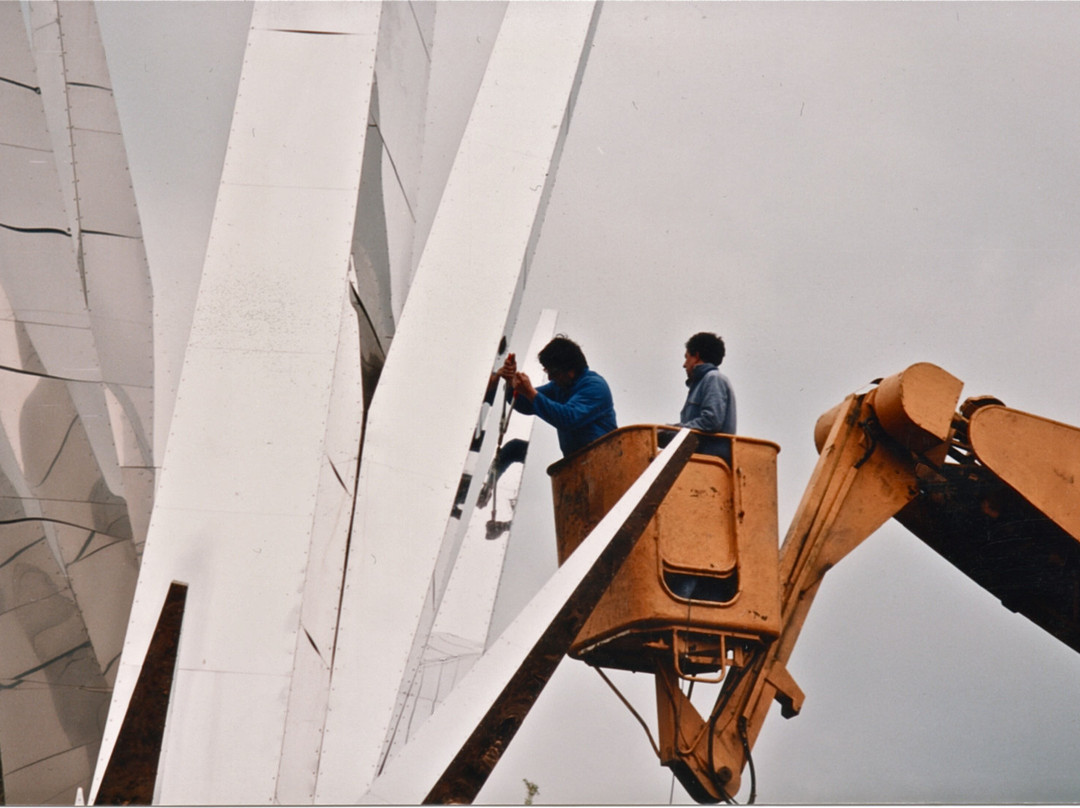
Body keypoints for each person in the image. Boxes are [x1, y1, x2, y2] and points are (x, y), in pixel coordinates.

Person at [497, 335, 617, 457]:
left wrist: (529, 392)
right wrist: (511, 384)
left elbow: (567, 419)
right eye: (547, 372)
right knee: (513, 448)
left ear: (570, 370)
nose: (550, 378)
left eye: (553, 372)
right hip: (580, 461)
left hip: (606, 459)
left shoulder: (595, 387)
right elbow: (526, 404)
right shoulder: (560, 387)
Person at [673, 331, 736, 461]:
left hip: (709, 460)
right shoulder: (702, 383)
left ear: (696, 356)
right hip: (698, 459)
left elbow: (711, 421)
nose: (684, 364)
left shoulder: (713, 379)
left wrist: (672, 431)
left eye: (687, 357)